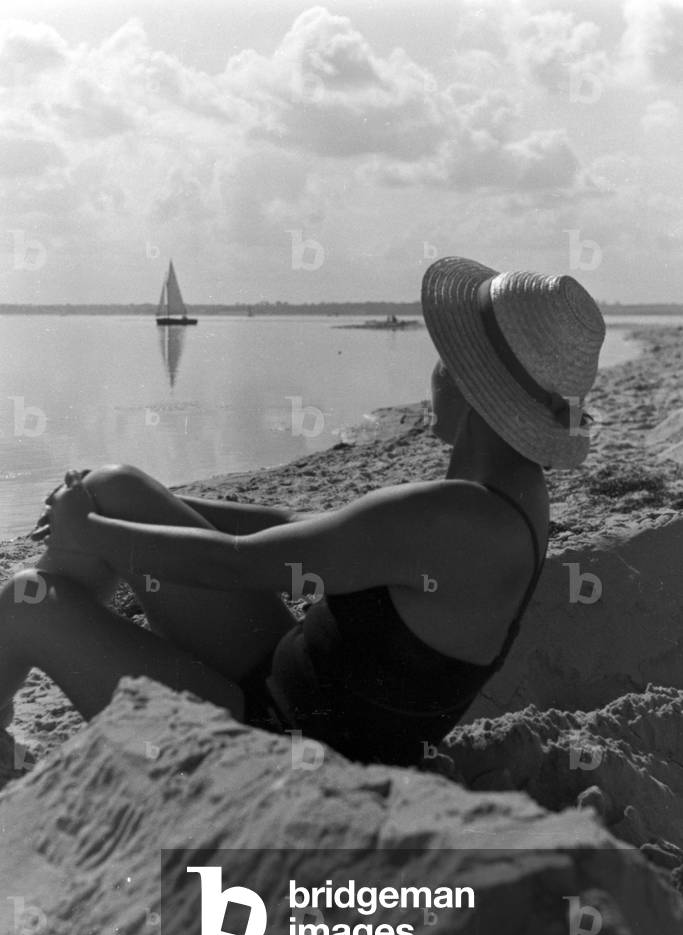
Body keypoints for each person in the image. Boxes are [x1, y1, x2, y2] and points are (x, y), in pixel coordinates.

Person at [0, 257, 605, 767]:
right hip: (284, 686)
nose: (437, 374)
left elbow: (238, 566)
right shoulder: (510, 491)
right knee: (114, 483)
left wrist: (94, 531)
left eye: (449, 361)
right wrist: (146, 501)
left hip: (268, 756)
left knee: (30, 601)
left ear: (474, 390)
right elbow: (296, 529)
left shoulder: (454, 519)